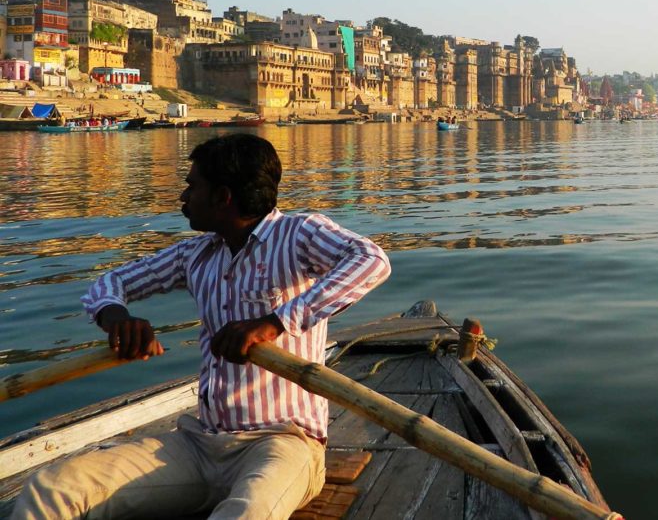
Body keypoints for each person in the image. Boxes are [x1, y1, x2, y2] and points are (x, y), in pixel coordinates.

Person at [14, 134, 391, 520]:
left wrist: (273, 323)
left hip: (283, 443)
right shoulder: (196, 253)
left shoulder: (298, 235)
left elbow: (371, 260)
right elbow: (111, 283)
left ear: (223, 196)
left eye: (193, 186)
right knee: (54, 488)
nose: (183, 196)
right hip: (200, 444)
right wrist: (117, 318)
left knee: (247, 511)